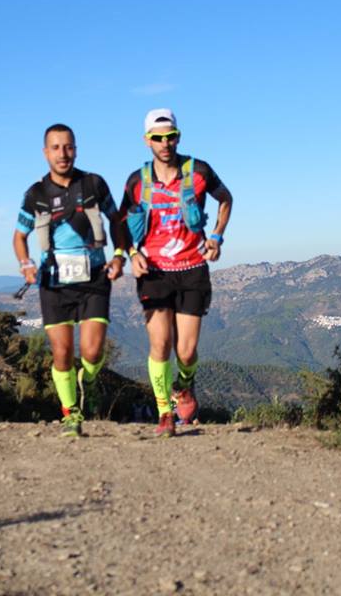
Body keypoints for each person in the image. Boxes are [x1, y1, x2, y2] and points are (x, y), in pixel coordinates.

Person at [120, 108, 233, 437]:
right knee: (160, 344)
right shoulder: (137, 181)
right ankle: (164, 413)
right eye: (158, 138)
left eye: (170, 136)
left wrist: (216, 236)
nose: (165, 143)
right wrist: (131, 254)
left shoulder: (198, 171)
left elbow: (225, 198)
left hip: (192, 269)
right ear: (147, 141)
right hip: (154, 273)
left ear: (178, 137)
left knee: (185, 351)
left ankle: (184, 384)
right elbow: (120, 222)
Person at [13, 123, 127, 436]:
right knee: (62, 353)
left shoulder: (94, 184)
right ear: (45, 152)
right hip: (54, 282)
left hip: (94, 278)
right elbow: (19, 236)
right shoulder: (35, 194)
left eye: (68, 147)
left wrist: (119, 255)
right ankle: (70, 414)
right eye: (56, 147)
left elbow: (116, 219)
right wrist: (26, 264)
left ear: (76, 149)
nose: (63, 154)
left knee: (92, 352)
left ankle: (88, 381)